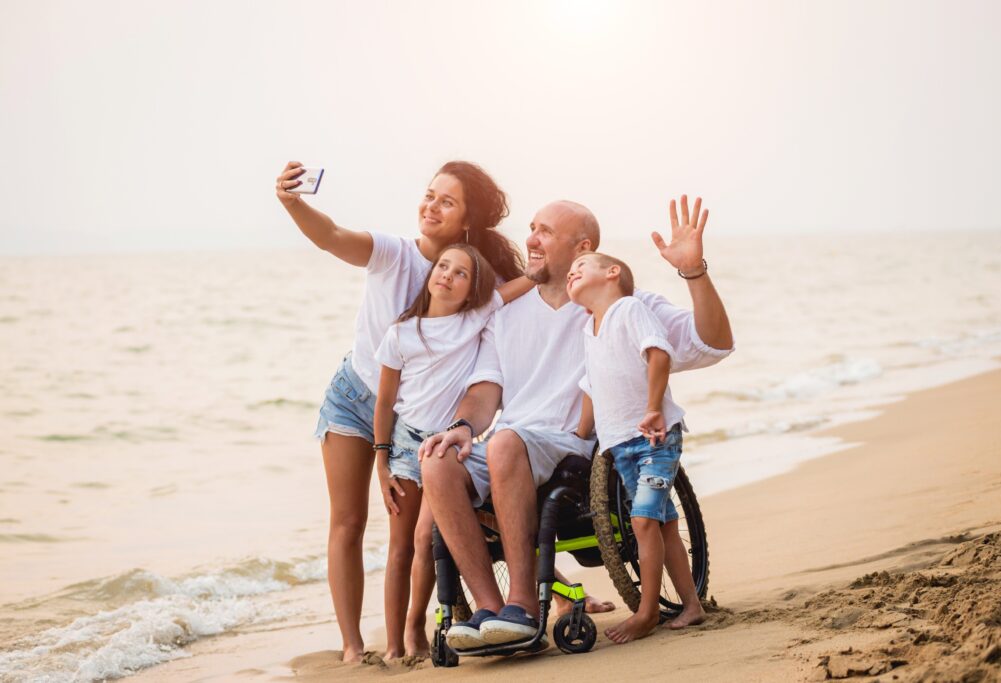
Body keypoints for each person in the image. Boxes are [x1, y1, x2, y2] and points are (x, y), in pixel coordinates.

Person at [419, 196, 733, 649]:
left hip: (573, 445)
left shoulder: (619, 303)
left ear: (582, 246)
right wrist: (463, 427)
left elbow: (715, 342)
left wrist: (693, 271)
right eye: (531, 228)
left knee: (506, 441)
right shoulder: (505, 313)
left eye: (545, 231)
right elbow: (485, 391)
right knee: (437, 460)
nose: (530, 239)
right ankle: (490, 610)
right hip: (513, 442)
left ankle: (523, 608)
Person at [275, 159, 524, 662]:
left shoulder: (472, 279)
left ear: (467, 220)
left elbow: (509, 302)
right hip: (354, 398)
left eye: (446, 201)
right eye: (429, 195)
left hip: (414, 424)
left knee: (410, 539)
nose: (431, 206)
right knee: (346, 520)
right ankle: (351, 645)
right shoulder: (392, 253)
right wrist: (293, 201)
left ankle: (407, 634)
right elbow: (330, 235)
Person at [372, 244, 533, 658]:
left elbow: (517, 288)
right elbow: (385, 402)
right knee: (400, 545)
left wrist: (542, 269)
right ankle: (393, 645)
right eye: (443, 266)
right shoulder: (400, 333)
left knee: (427, 536)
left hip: (445, 443)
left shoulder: (474, 318)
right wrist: (381, 462)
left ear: (471, 291)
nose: (447, 275)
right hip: (405, 442)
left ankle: (415, 629)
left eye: (461, 273)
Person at [567, 249, 705, 643]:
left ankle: (646, 612)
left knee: (642, 520)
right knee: (661, 524)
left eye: (581, 266)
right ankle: (692, 606)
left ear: (612, 273)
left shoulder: (630, 308)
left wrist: (652, 409)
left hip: (655, 438)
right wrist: (580, 439)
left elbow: (659, 354)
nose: (572, 273)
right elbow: (591, 387)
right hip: (619, 445)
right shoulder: (587, 330)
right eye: (570, 271)